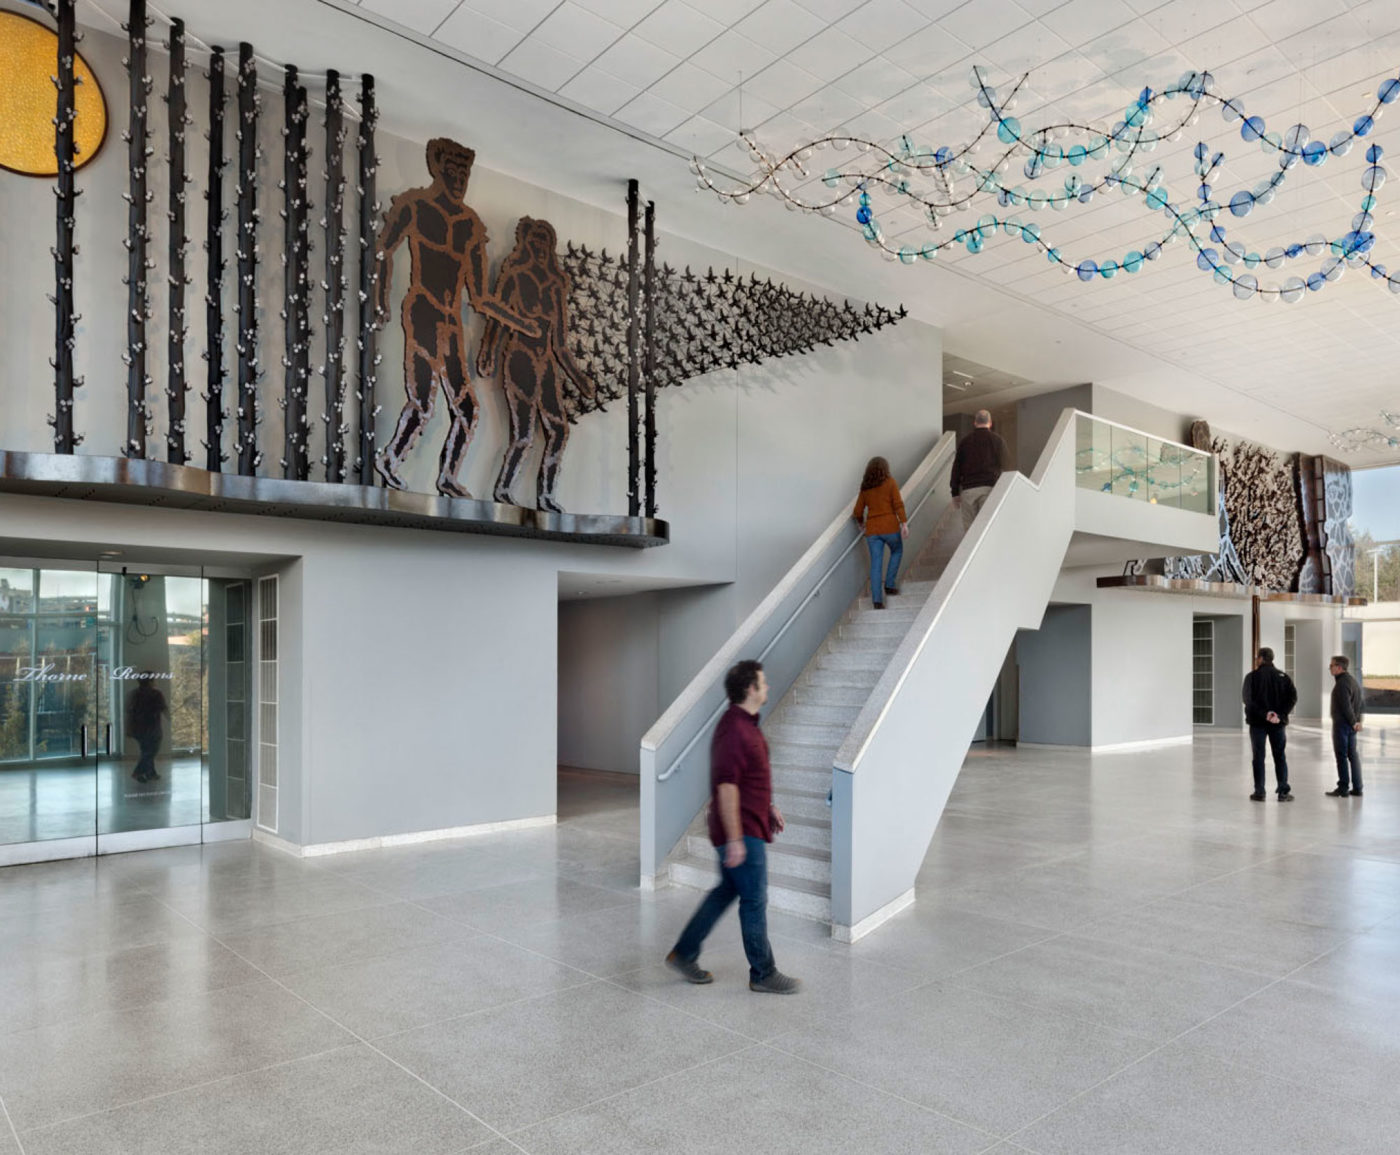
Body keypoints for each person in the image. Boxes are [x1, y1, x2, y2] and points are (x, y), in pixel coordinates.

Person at [373, 138, 542, 497]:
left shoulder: (470, 225)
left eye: (464, 172)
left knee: (467, 408)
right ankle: (390, 459)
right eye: (452, 170)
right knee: (422, 403)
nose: (458, 179)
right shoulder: (415, 206)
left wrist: (519, 322)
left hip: (450, 324)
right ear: (436, 168)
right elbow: (383, 248)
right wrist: (379, 300)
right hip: (422, 311)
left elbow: (481, 298)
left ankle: (447, 476)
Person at [665, 660, 800, 995]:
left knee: (726, 891)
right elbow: (727, 787)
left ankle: (684, 953)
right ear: (750, 688)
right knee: (754, 900)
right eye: (763, 683)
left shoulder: (745, 726)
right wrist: (736, 839)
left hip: (749, 824)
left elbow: (748, 778)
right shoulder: (734, 729)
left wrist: (768, 806)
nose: (767, 687)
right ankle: (763, 973)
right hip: (742, 832)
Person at [477, 217, 596, 512]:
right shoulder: (515, 275)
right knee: (525, 434)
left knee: (559, 430)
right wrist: (489, 351)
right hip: (520, 359)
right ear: (526, 244)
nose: (541, 247)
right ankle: (504, 488)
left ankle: (545, 496)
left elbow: (560, 344)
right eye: (535, 241)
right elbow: (499, 317)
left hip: (547, 365)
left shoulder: (556, 285)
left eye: (545, 241)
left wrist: (580, 379)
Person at [1242, 647, 1297, 801]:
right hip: (1278, 724)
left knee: (1258, 757)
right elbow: (1292, 698)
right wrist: (1279, 715)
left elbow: (1248, 700)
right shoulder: (1284, 677)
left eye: (1256, 657)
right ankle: (1283, 792)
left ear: (1260, 658)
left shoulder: (1251, 677)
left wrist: (1265, 714)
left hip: (1257, 724)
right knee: (1279, 756)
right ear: (1271, 659)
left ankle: (1259, 792)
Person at [852, 456, 907, 610]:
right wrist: (904, 523)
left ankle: (877, 601)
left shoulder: (865, 488)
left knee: (876, 563)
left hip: (872, 530)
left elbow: (857, 511)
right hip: (890, 527)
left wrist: (861, 524)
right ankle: (889, 585)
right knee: (897, 550)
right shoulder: (890, 482)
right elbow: (898, 504)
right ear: (885, 468)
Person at [951, 409, 1009, 532]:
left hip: (968, 490)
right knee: (986, 528)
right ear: (990, 423)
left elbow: (956, 467)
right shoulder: (998, 440)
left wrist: (955, 492)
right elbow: (1006, 466)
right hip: (989, 488)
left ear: (975, 422)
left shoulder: (965, 442)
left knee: (969, 531)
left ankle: (969, 551)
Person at [1327, 654, 1364, 797]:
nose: (1330, 668)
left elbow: (1346, 706)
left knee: (1341, 756)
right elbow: (1360, 704)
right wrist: (1357, 721)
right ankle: (1358, 787)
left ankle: (1343, 787)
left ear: (1339, 668)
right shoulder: (1353, 681)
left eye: (1332, 665)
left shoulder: (1342, 684)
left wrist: (1354, 721)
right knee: (1353, 755)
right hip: (1351, 725)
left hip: (1343, 725)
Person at [126, 675, 169, 784]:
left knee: (146, 750)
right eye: (153, 680)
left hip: (138, 728)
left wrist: (129, 728)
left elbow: (129, 711)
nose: (155, 682)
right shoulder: (156, 694)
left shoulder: (134, 694)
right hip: (152, 727)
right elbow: (164, 708)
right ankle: (138, 772)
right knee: (150, 751)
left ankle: (151, 773)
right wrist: (170, 718)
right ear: (150, 682)